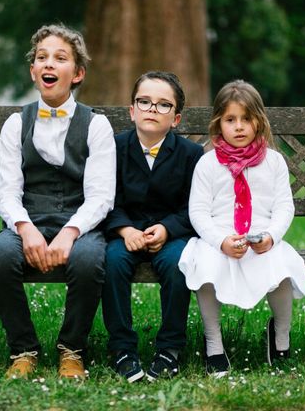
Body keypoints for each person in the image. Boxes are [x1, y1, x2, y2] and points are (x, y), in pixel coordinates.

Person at [0, 24, 116, 380]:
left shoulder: (96, 126)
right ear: (33, 71)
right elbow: (6, 192)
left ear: (78, 73)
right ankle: (23, 348)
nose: (49, 64)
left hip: (79, 220)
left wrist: (70, 232)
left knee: (89, 260)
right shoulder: (16, 123)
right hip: (29, 218)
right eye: (42, 58)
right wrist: (25, 229)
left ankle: (72, 349)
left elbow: (101, 196)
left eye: (60, 58)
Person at [178, 79, 305, 377]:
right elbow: (197, 211)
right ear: (218, 123)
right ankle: (214, 343)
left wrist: (272, 237)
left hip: (261, 242)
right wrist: (220, 241)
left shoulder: (274, 162)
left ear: (259, 121)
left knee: (283, 266)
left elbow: (285, 207)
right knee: (204, 266)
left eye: (246, 119)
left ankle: (281, 337)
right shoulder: (207, 164)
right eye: (230, 119)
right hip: (219, 242)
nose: (238, 127)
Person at [101, 71, 204, 382]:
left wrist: (167, 229)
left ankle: (169, 348)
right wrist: (124, 230)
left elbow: (194, 206)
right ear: (132, 110)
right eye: (144, 102)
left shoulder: (191, 154)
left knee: (177, 264)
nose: (151, 110)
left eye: (163, 105)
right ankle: (122, 347)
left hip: (170, 235)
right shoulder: (113, 148)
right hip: (125, 231)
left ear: (175, 118)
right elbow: (103, 198)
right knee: (112, 261)